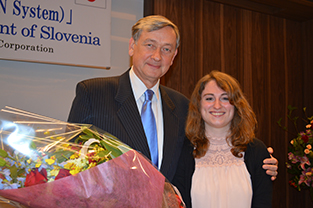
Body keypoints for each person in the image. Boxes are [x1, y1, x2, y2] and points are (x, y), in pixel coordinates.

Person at [67, 15, 277, 200]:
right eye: (150, 45)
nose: (157, 56)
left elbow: (209, 146)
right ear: (132, 46)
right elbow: (69, 163)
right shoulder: (93, 93)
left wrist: (259, 159)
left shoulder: (181, 105)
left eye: (166, 49)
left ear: (174, 56)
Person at [173, 71, 273, 208]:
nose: (217, 105)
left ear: (236, 104)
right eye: (209, 98)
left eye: (225, 98)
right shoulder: (183, 151)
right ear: (198, 105)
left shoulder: (257, 151)